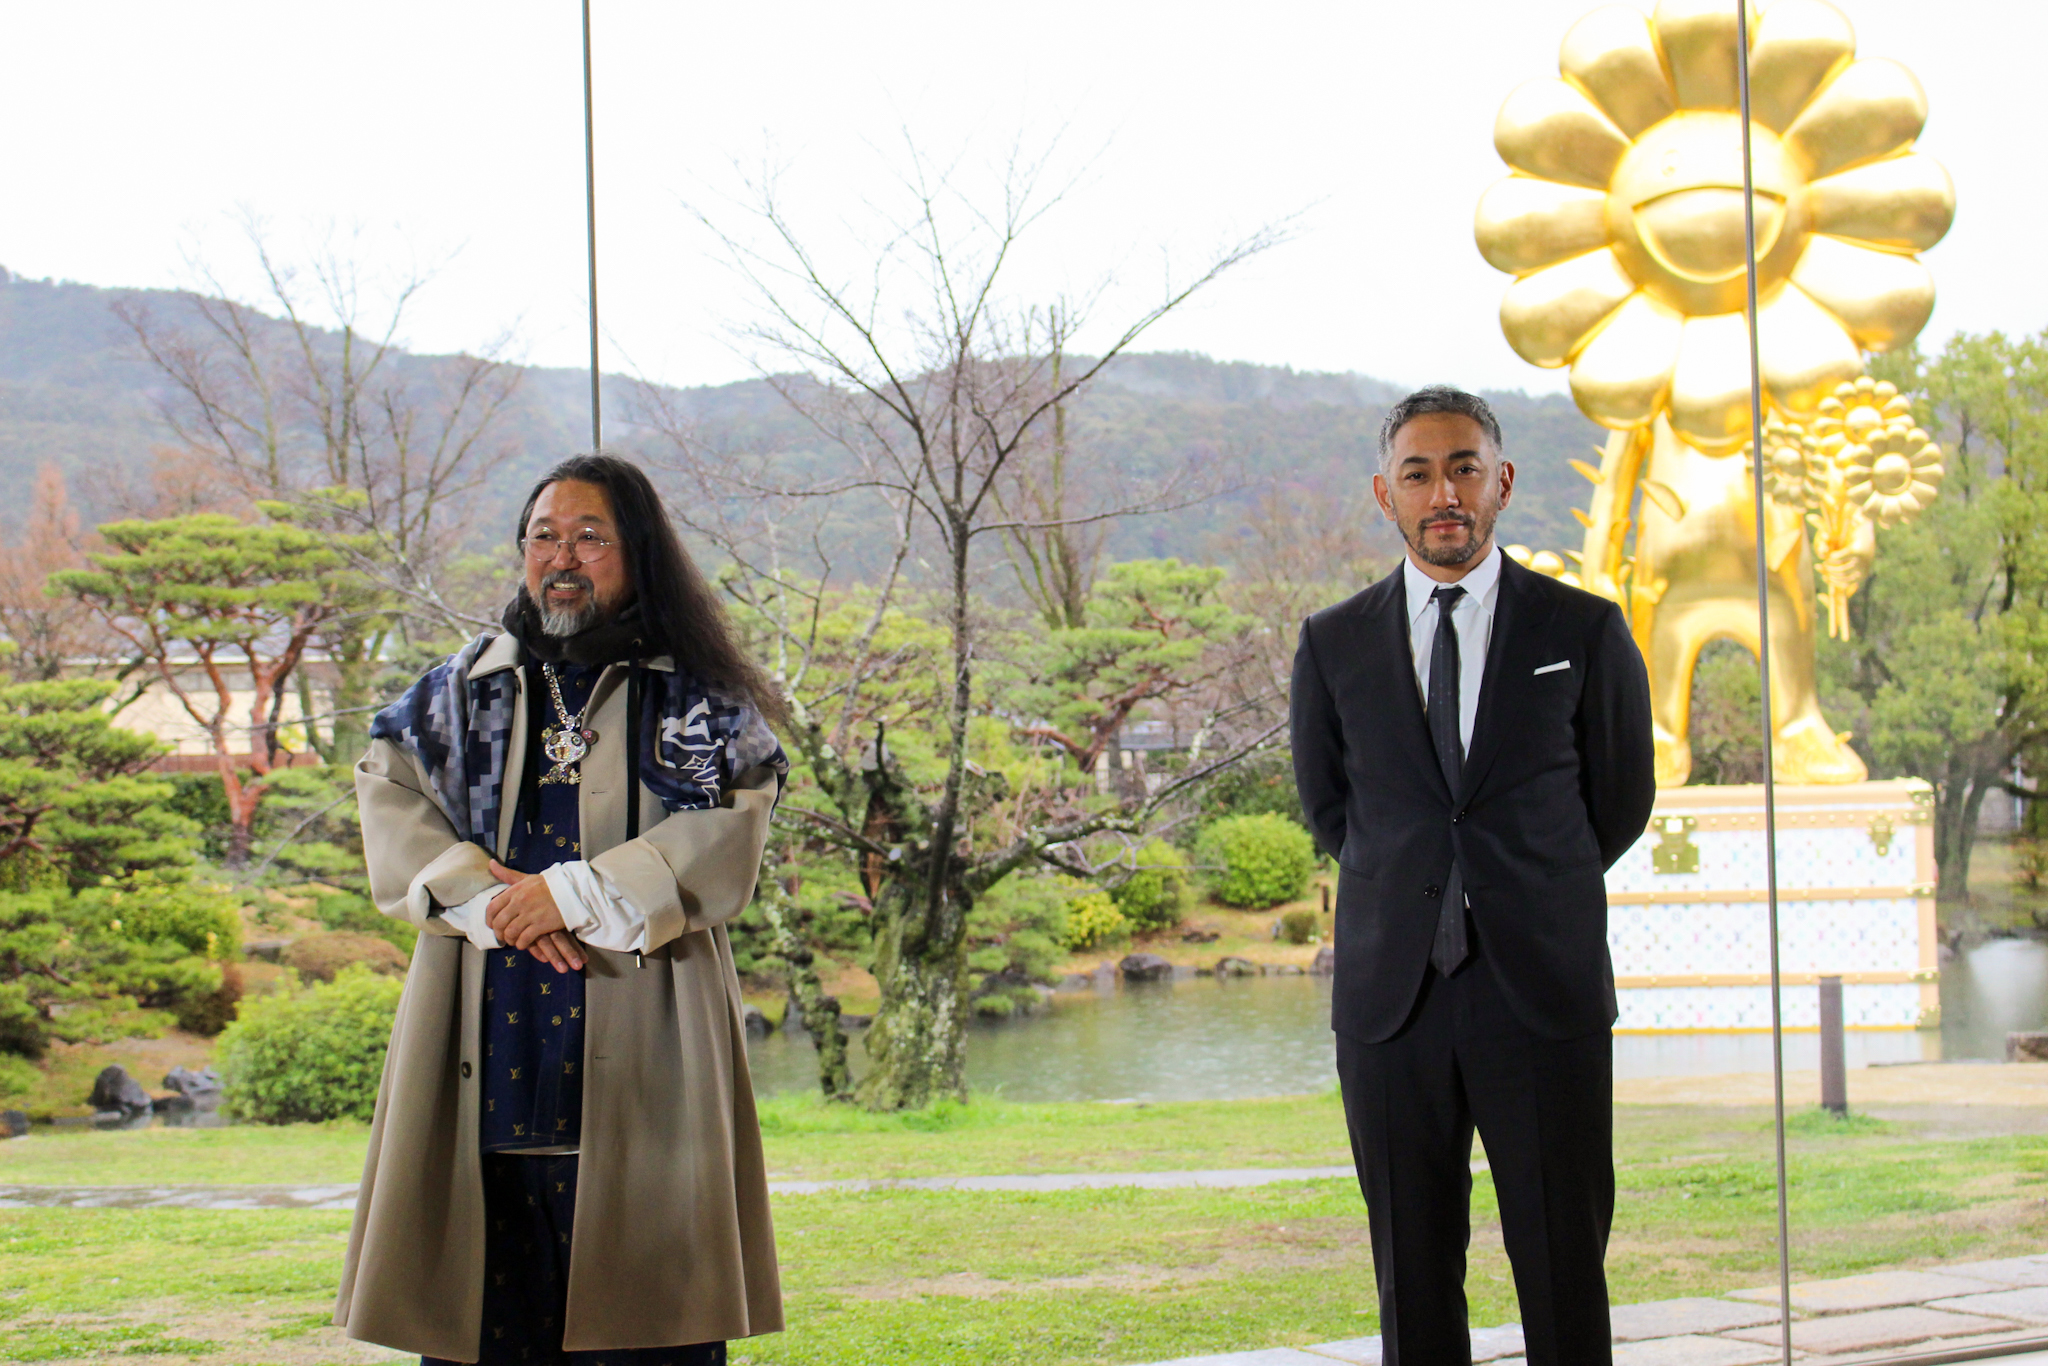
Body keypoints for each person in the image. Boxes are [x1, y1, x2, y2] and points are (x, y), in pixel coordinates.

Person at [335, 454, 788, 1365]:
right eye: (544, 535)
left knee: (648, 1330)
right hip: (484, 1044)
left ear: (638, 553)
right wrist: (498, 903)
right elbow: (388, 794)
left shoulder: (698, 698)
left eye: (591, 536)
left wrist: (570, 894)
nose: (563, 556)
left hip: (647, 1052)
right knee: (479, 1328)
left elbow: (733, 834)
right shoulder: (459, 692)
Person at [1290, 387, 1654, 1365]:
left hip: (1539, 991)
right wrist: (1419, 890)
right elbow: (1332, 810)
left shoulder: (1582, 629)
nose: (1440, 489)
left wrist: (1522, 887)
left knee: (1562, 1263)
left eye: (1460, 466)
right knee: (1409, 1271)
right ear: (1384, 494)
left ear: (1500, 480)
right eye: (1417, 471)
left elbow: (1617, 801)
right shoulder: (1331, 643)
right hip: (1389, 1001)